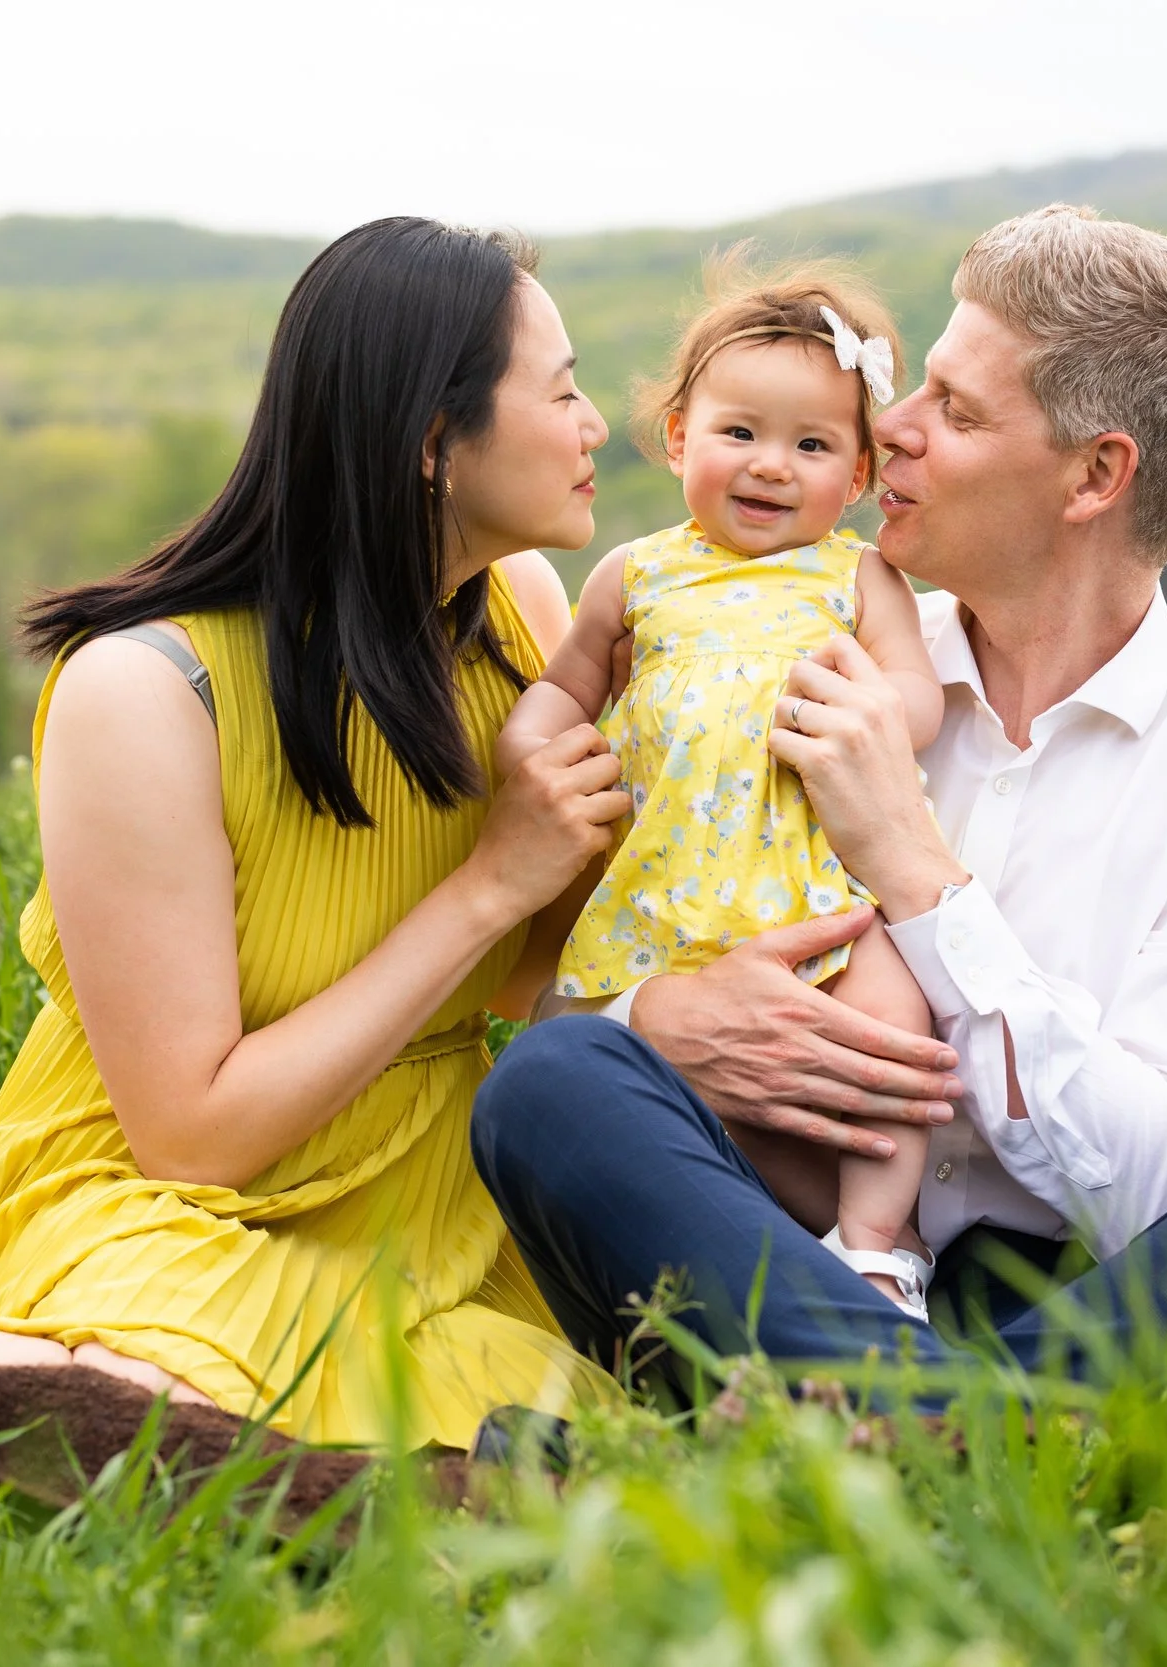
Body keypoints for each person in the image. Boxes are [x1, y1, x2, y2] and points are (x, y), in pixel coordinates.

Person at [473, 206, 1167, 1378]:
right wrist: (656, 1022)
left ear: (1094, 475)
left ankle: (891, 1423)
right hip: (772, 1253)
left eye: (952, 409)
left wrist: (914, 868)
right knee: (548, 1081)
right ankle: (987, 1434)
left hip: (1074, 1298)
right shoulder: (779, 660)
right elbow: (607, 954)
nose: (887, 430)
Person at [0, 218, 632, 1449]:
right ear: (430, 442)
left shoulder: (520, 614)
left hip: (430, 1199)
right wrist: (489, 881)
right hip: (176, 1198)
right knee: (153, 1408)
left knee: (591, 1417)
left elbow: (522, 982)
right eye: (562, 390)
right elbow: (194, 1136)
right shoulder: (146, 692)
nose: (594, 427)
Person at [494, 265, 944, 1317]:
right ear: (679, 435)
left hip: (820, 874)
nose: (771, 467)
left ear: (862, 472)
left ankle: (881, 1244)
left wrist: (873, 716)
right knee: (660, 1078)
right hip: (673, 887)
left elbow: (915, 689)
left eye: (813, 445)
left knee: (890, 1026)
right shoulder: (636, 574)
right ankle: (698, 1268)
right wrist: (530, 740)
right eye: (740, 432)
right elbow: (572, 680)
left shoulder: (855, 576)